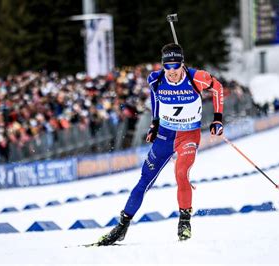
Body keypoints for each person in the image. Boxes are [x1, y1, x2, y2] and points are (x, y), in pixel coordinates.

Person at [96, 43, 224, 245]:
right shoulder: (155, 79)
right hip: (165, 135)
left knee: (181, 173)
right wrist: (155, 124)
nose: (172, 71)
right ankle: (122, 226)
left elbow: (217, 88)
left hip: (188, 136)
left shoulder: (196, 77)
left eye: (176, 66)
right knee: (144, 181)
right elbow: (155, 99)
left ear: (182, 64)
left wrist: (217, 118)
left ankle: (184, 221)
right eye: (168, 67)